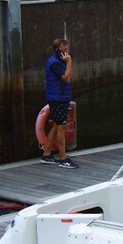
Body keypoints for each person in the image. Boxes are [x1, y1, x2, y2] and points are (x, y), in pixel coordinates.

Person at [40, 38, 77, 169]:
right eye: (64, 48)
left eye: (67, 47)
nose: (67, 50)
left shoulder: (58, 61)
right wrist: (69, 62)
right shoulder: (55, 63)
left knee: (56, 126)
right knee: (61, 127)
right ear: (58, 49)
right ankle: (63, 158)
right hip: (58, 98)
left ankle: (47, 154)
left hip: (60, 97)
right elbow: (65, 78)